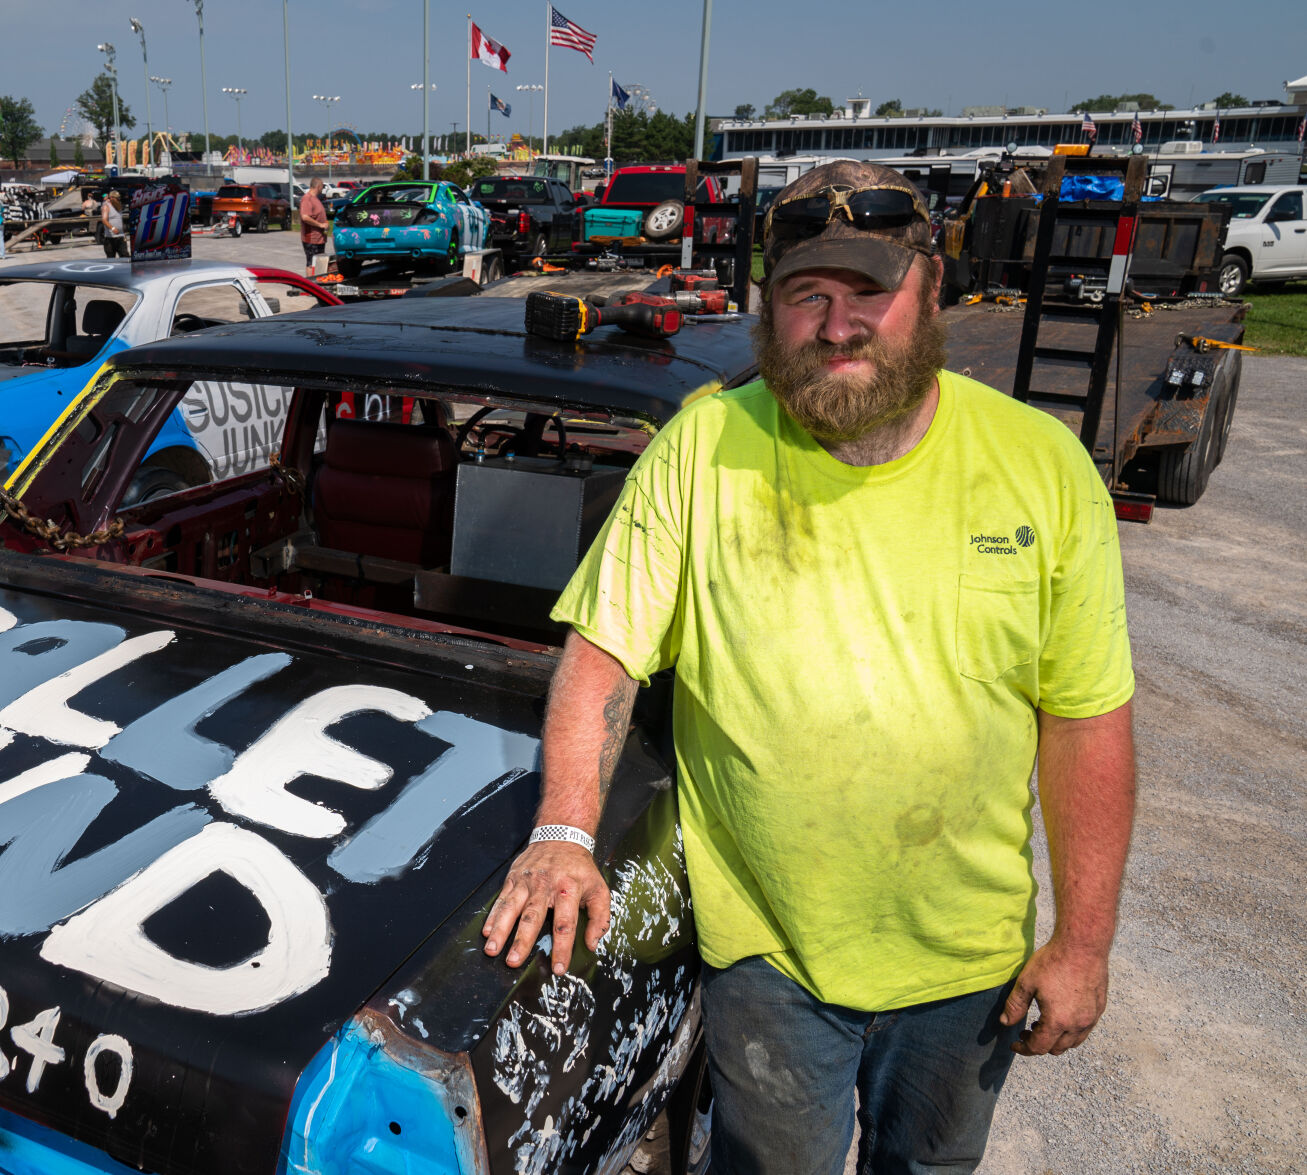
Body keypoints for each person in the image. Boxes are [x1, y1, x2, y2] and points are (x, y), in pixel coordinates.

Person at [481, 160, 1136, 1174]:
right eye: (805, 295)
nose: (836, 325)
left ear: (929, 294)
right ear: (768, 310)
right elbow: (601, 656)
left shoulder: (1039, 467)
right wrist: (564, 829)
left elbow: (1085, 719)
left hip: (965, 962)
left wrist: (1082, 940)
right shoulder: (702, 450)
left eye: (867, 291)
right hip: (768, 957)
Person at [299, 177, 330, 271]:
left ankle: (317, 284)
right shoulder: (307, 199)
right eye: (322, 186)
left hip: (319, 239)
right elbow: (305, 217)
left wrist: (325, 224)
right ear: (318, 186)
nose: (323, 189)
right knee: (311, 264)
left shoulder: (315, 199)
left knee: (319, 264)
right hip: (311, 239)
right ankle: (310, 284)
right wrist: (320, 225)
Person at [101, 192, 126, 259]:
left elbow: (120, 219)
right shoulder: (106, 206)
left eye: (119, 198)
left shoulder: (118, 206)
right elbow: (104, 220)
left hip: (121, 236)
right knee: (111, 258)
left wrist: (124, 232)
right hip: (110, 238)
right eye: (116, 198)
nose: (118, 200)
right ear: (111, 198)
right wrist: (112, 228)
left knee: (125, 256)